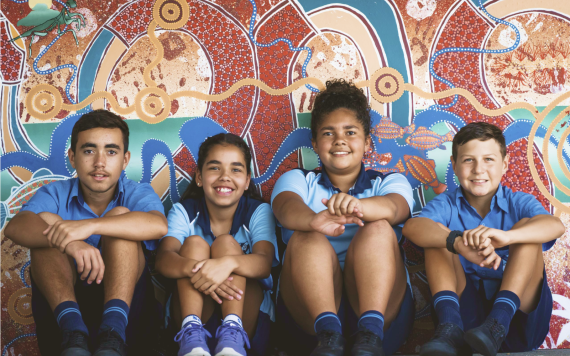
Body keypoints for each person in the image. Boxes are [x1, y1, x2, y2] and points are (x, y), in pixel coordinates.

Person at [4, 109, 168, 356]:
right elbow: (16, 227)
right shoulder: (54, 192)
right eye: (89, 151)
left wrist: (91, 226)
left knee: (119, 217)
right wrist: (70, 243)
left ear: (125, 160)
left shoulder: (138, 192)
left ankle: (112, 332)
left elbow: (158, 225)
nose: (100, 162)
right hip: (63, 311)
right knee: (47, 223)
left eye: (111, 151)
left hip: (127, 319)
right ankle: (73, 334)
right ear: (72, 157)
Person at [271, 79, 415, 356]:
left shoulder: (390, 181)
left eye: (350, 132)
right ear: (314, 142)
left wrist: (355, 205)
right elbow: (285, 207)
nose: (339, 140)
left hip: (382, 318)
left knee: (379, 229)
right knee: (305, 236)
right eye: (328, 133)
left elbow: (396, 208)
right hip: (310, 323)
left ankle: (370, 332)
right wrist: (314, 221)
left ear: (367, 142)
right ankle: (329, 333)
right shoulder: (297, 179)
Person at [402, 122, 565, 356]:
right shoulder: (446, 204)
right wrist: (457, 242)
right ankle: (449, 326)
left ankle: (498, 321)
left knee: (528, 230)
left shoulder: (518, 201)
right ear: (455, 166)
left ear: (505, 164)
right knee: (437, 233)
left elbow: (555, 226)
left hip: (518, 321)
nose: (479, 170)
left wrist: (508, 237)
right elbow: (412, 227)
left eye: (488, 159)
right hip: (465, 320)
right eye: (469, 160)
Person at [155, 133, 279, 356]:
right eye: (215, 168)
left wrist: (226, 265)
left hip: (247, 320)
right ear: (199, 177)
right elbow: (164, 259)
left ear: (247, 180)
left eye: (236, 169)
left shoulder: (258, 211)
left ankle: (232, 334)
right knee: (193, 244)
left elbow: (263, 264)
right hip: (189, 317)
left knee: (227, 245)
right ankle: (191, 334)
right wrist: (201, 272)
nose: (225, 177)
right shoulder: (184, 211)